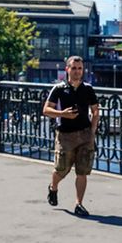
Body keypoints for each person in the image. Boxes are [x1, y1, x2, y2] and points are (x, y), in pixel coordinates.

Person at [42, 55, 99, 217]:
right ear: (67, 69)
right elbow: (46, 110)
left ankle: (78, 204)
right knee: (61, 170)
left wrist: (92, 131)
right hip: (65, 136)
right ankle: (53, 187)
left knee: (82, 171)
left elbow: (95, 110)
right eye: (74, 68)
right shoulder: (59, 89)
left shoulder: (88, 89)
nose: (77, 71)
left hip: (85, 135)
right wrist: (63, 114)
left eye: (80, 68)